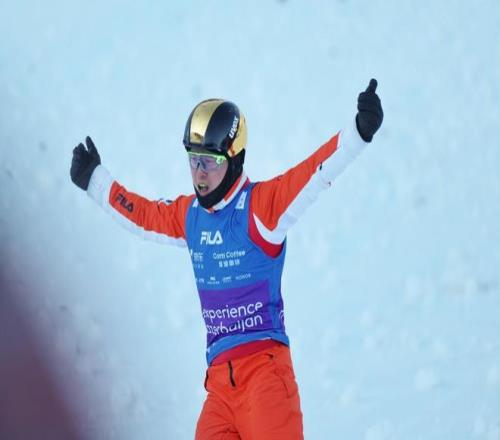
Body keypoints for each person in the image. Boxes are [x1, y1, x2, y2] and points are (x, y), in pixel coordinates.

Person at [70, 79, 383, 439]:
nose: (199, 174)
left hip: (265, 378)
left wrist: (359, 132)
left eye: (210, 162)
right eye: (193, 160)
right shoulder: (190, 216)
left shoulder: (261, 208)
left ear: (234, 159)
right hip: (219, 389)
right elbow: (144, 215)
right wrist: (95, 180)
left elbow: (315, 171)